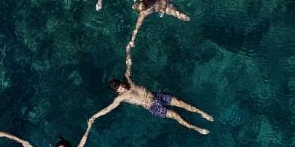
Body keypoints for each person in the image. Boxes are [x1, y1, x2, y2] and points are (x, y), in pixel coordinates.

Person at [81, 48, 213, 136]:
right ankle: (196, 128)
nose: (121, 88)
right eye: (119, 89)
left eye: (120, 85)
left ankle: (202, 113)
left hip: (159, 96)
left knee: (183, 104)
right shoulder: (120, 98)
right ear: (117, 91)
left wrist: (128, 50)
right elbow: (107, 109)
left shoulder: (128, 80)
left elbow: (128, 64)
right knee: (177, 117)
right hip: (153, 107)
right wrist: (94, 117)